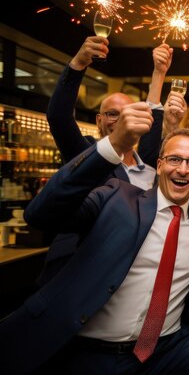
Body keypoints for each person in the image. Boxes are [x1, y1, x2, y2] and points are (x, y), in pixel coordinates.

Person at [0, 105, 189, 375]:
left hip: (168, 346)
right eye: (174, 159)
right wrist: (110, 147)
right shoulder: (116, 199)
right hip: (93, 348)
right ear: (158, 165)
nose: (183, 169)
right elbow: (40, 214)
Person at [38, 37, 171, 285]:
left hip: (134, 273)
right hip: (84, 272)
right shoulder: (86, 155)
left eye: (126, 114)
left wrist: (158, 73)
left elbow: (153, 120)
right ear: (99, 120)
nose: (120, 121)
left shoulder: (151, 163)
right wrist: (78, 63)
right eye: (112, 114)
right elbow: (59, 118)